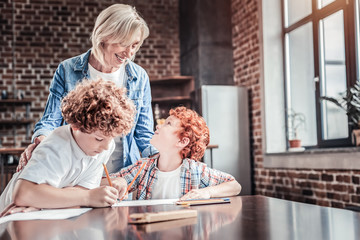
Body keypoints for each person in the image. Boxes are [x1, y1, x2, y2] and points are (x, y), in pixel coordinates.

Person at [17, 3, 157, 175]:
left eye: (134, 45)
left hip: (123, 174)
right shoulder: (67, 69)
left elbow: (144, 133)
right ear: (104, 36)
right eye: (123, 44)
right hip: (75, 170)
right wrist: (40, 143)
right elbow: (50, 121)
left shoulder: (139, 76)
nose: (129, 53)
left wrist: (165, 156)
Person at [0, 79, 135, 215]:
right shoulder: (56, 146)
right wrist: (88, 197)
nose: (106, 146)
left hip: (41, 215)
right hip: (10, 218)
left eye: (111, 138)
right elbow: (23, 194)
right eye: (99, 138)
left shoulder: (102, 148)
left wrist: (44, 202)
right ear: (76, 125)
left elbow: (80, 190)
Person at [104, 106, 242, 200]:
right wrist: (119, 180)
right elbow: (102, 182)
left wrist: (206, 192)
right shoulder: (143, 167)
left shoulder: (195, 171)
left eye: (168, 124)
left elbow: (234, 185)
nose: (158, 126)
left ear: (182, 142)